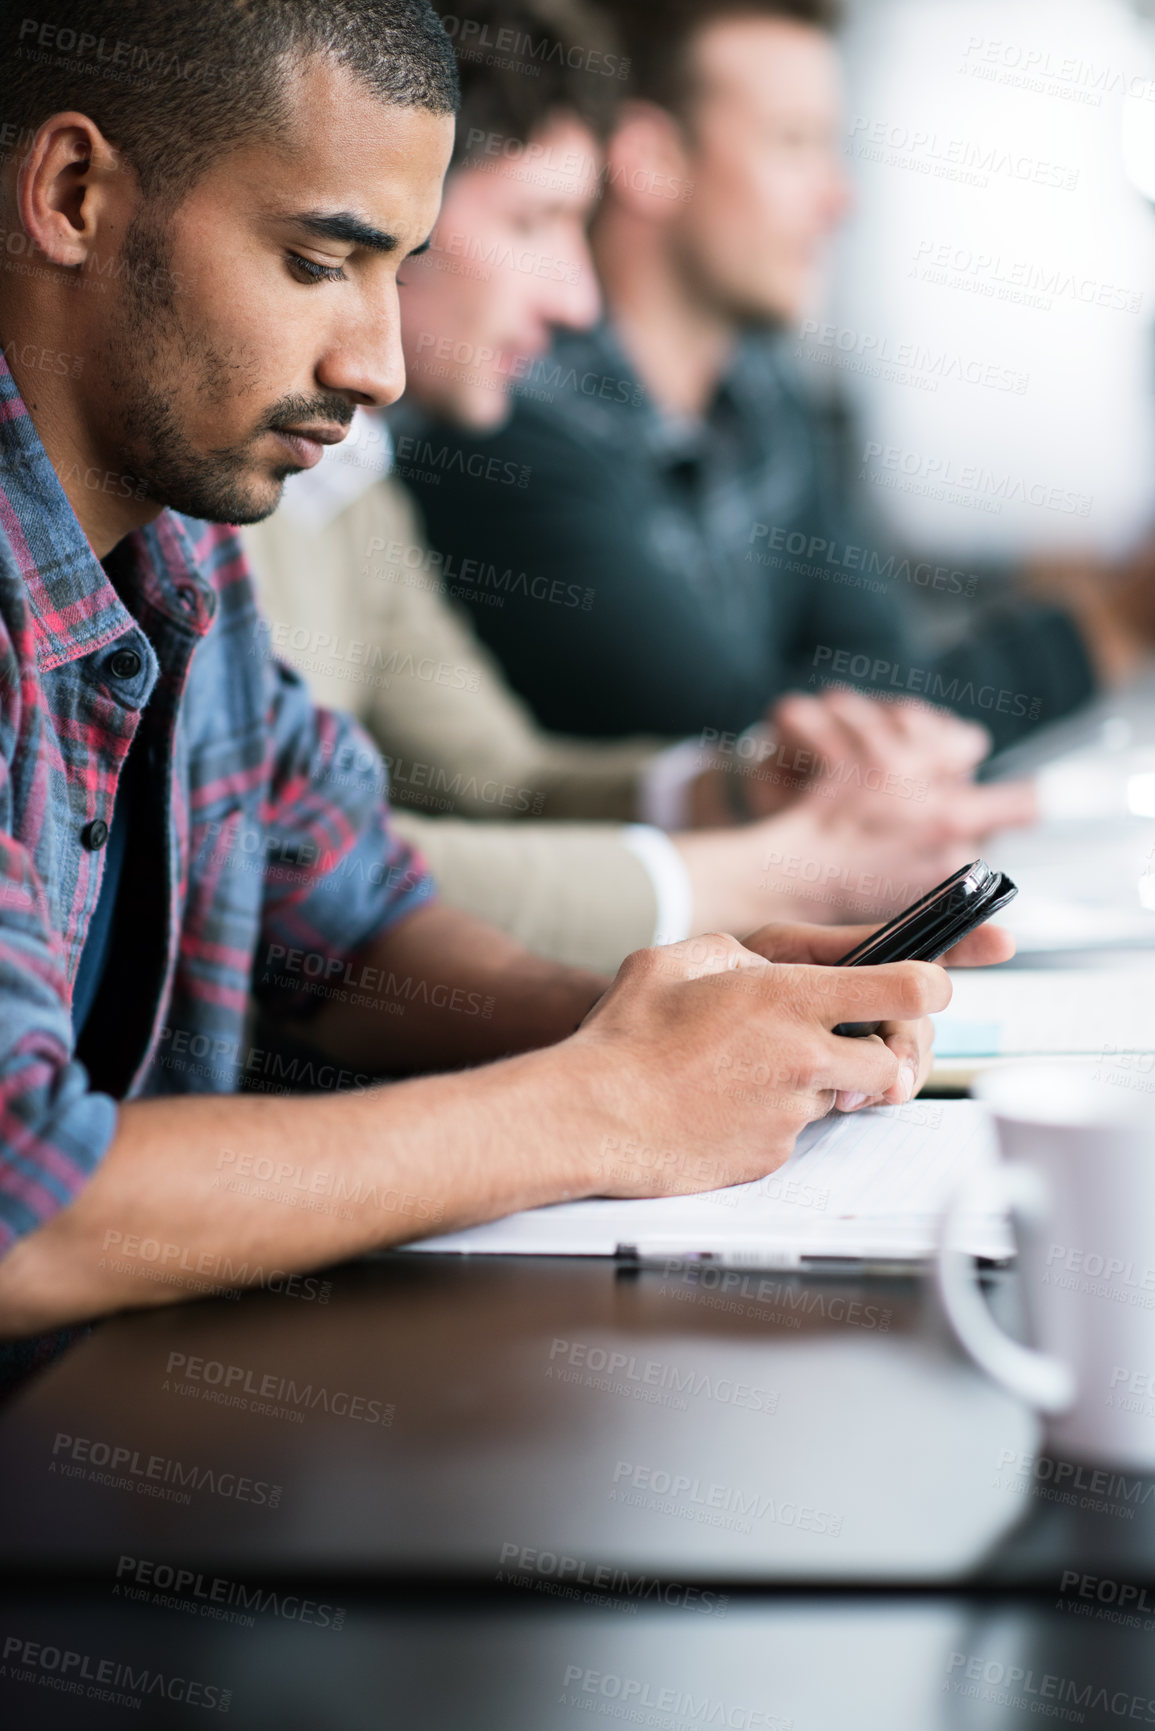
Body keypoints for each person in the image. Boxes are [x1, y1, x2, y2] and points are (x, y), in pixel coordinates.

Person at [0, 0, 1009, 1341]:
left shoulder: (185, 549)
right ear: (73, 195)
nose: (381, 365)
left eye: (399, 270)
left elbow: (351, 922)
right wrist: (601, 1100)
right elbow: (28, 1199)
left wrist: (671, 1020)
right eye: (316, 262)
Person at [243, 0, 1033, 973]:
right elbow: (294, 881)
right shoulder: (269, 467)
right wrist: (780, 874)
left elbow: (498, 779)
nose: (577, 298)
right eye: (535, 220)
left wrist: (734, 788)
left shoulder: (358, 477)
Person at [403, 0, 1154, 761]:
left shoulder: (760, 392)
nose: (838, 199)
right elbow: (745, 745)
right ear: (653, 159)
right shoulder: (507, 415)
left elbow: (878, 683)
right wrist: (1114, 624)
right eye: (794, 144)